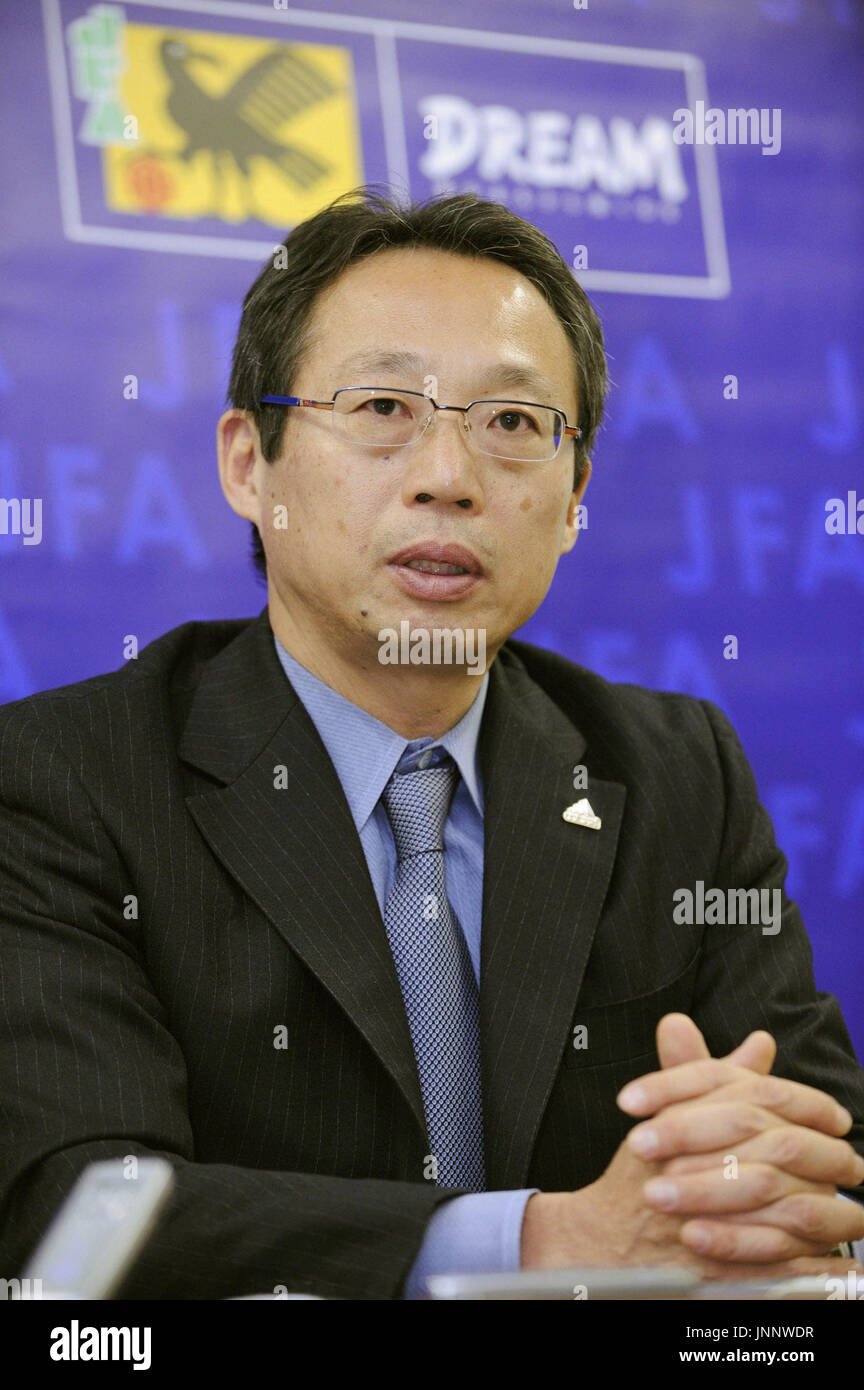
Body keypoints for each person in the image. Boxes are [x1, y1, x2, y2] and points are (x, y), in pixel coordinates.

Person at [1, 188, 862, 1301]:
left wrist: (764, 1173)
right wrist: (542, 1243)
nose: (450, 475)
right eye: (383, 407)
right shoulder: (65, 777)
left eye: (512, 423)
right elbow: (78, 1210)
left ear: (573, 497)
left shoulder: (675, 771)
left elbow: (819, 1158)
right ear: (247, 467)